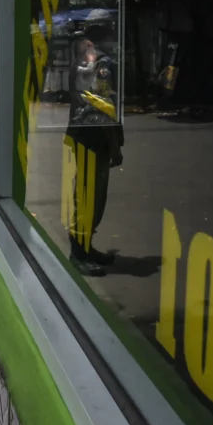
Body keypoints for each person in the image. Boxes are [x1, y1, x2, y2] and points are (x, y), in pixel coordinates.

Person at [63, 14, 124, 277]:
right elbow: (103, 108)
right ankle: (78, 253)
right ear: (105, 31)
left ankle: (85, 247)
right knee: (91, 198)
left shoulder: (81, 57)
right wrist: (115, 146)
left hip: (79, 135)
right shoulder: (103, 61)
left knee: (85, 195)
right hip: (94, 138)